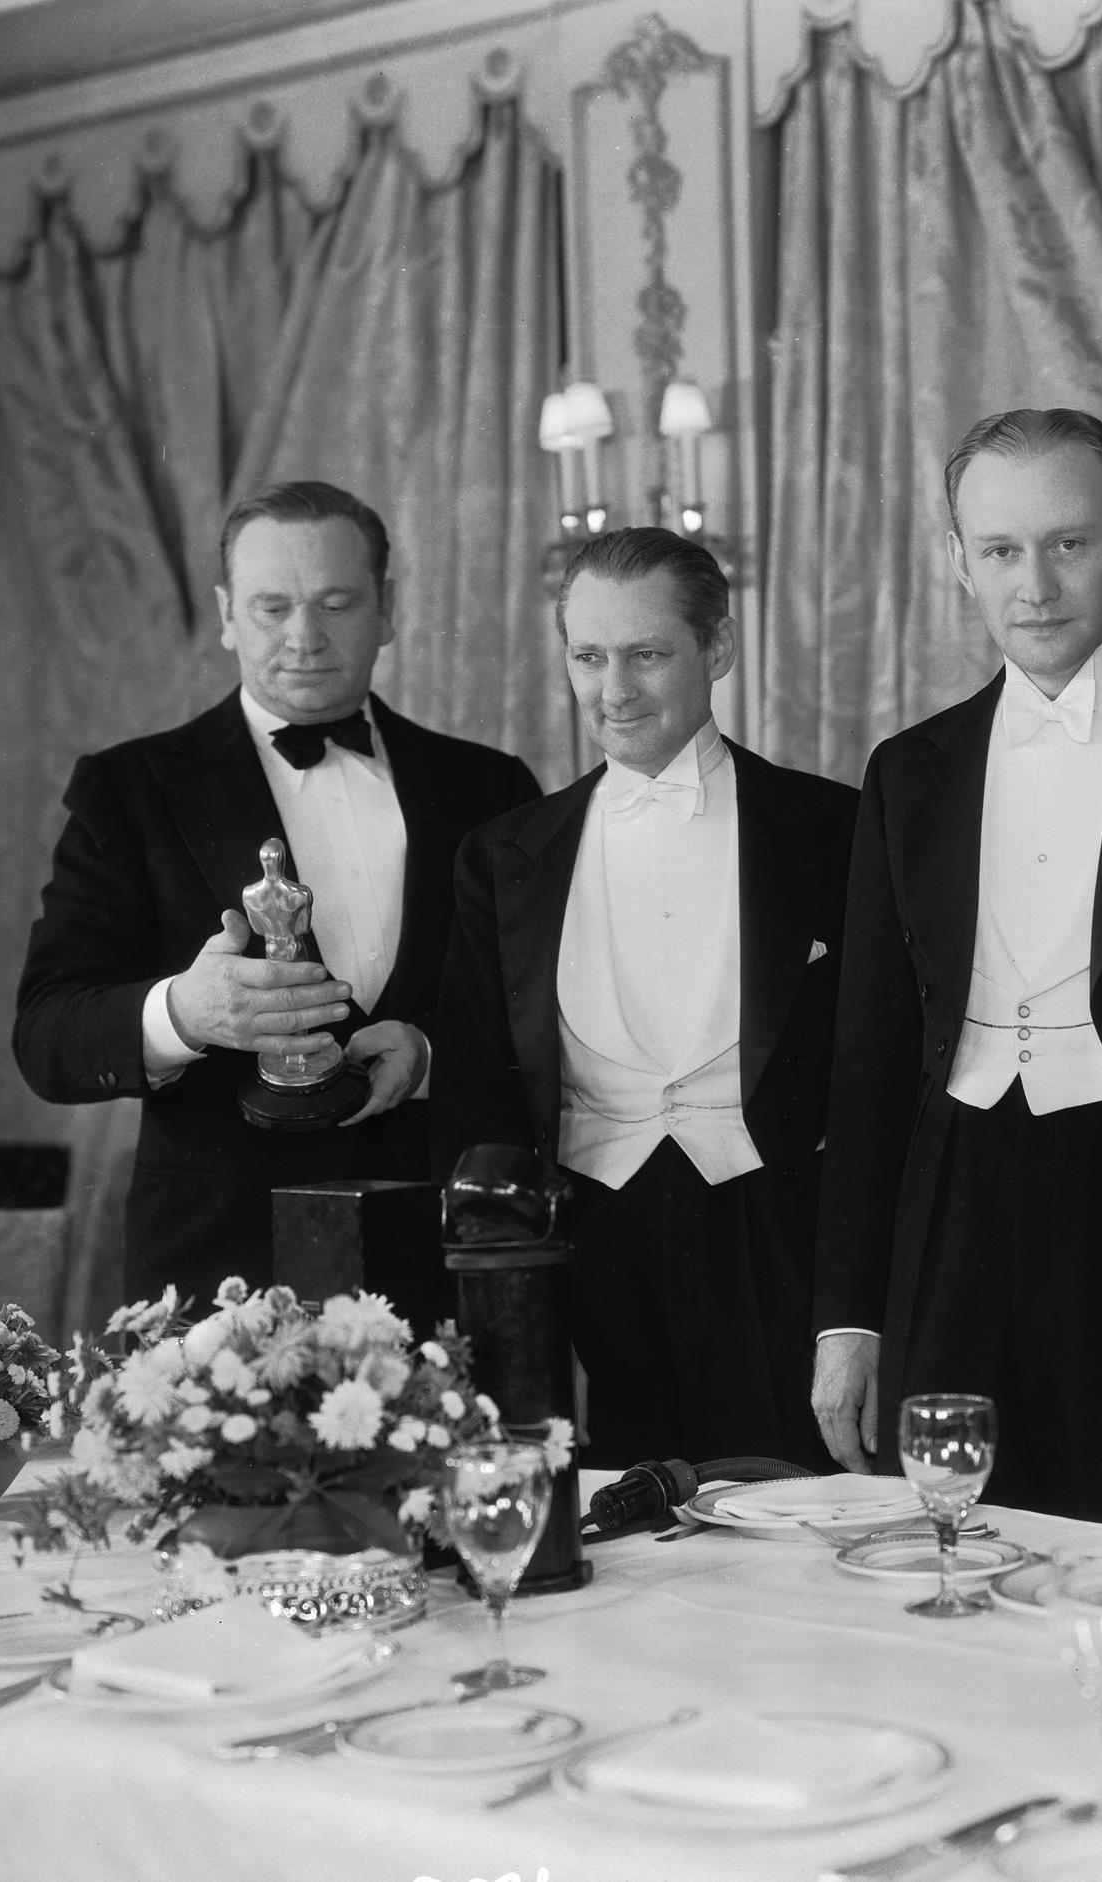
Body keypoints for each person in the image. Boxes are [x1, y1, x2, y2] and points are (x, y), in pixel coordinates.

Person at [811, 409, 1102, 1523]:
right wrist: (849, 1320)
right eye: (1003, 549)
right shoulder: (908, 772)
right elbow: (867, 1060)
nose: (1037, 582)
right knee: (954, 1551)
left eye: (1068, 543)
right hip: (951, 1197)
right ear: (956, 558)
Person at [15, 480, 542, 1311]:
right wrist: (187, 1013)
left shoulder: (489, 785)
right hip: (220, 1268)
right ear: (227, 613)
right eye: (272, 608)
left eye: (336, 603)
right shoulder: (128, 788)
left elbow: (539, 1013)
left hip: (446, 1256)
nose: (304, 638)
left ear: (388, 608)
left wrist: (435, 1055)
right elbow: (47, 1033)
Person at [434, 528, 856, 1470]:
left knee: (785, 1511)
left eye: (646, 654)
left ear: (720, 650)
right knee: (617, 1528)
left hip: (775, 1229)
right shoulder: (503, 856)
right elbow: (475, 1091)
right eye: (588, 656)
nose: (612, 689)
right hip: (589, 1233)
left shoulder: (836, 828)